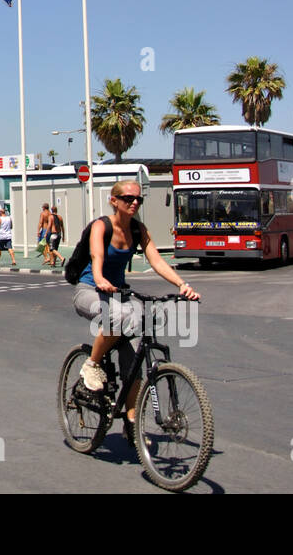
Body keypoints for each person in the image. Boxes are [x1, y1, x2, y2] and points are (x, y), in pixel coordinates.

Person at [73, 181, 200, 439]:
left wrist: (182, 285)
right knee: (117, 318)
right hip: (89, 290)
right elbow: (97, 256)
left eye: (138, 200)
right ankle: (91, 364)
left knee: (138, 347)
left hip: (118, 293)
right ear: (114, 200)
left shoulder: (138, 229)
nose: (134, 203)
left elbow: (156, 259)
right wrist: (99, 278)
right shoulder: (102, 225)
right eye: (128, 198)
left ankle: (131, 421)